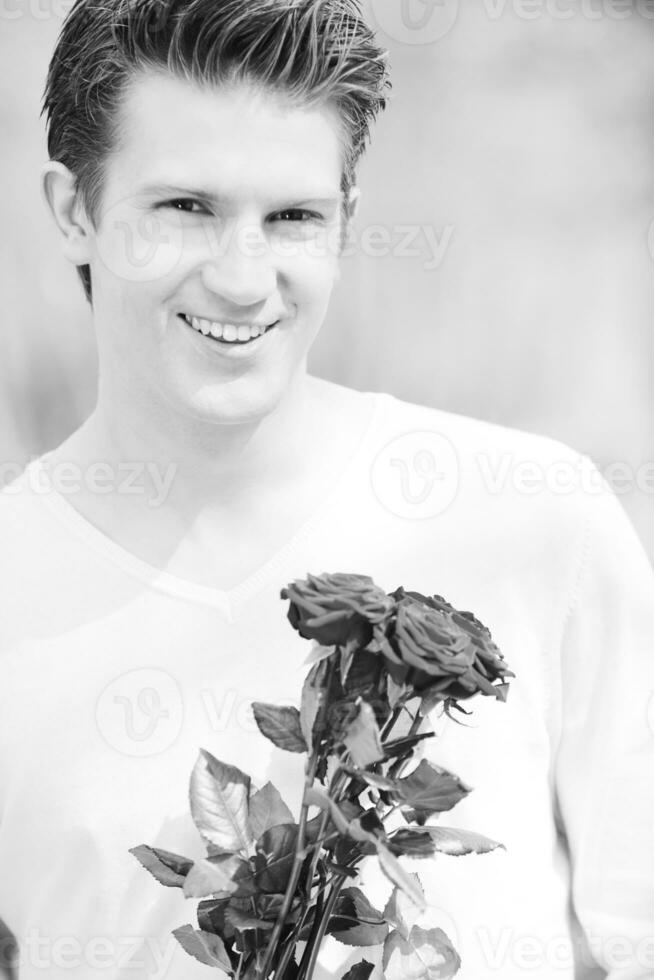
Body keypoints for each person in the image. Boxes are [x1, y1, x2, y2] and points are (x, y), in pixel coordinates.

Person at [1, 0, 653, 977]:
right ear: (73, 210)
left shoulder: (536, 518)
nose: (242, 275)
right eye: (186, 207)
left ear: (347, 224)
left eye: (293, 216)